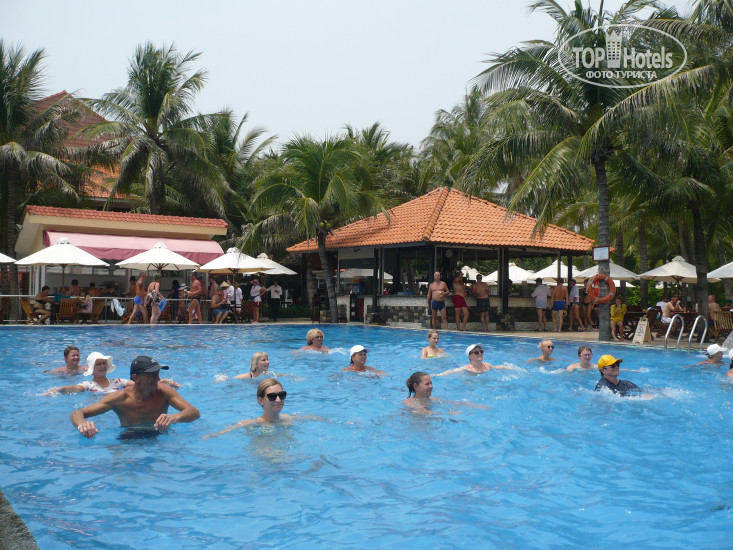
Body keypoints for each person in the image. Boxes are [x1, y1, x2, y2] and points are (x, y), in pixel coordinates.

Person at [70, 355, 200, 439]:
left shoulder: (164, 391)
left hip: (160, 436)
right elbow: (77, 413)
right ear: (135, 378)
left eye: (158, 374)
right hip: (129, 437)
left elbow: (194, 412)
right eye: (152, 375)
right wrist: (83, 425)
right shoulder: (120, 398)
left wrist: (174, 418)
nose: (158, 379)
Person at [203, 379, 292, 437]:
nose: (278, 400)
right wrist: (212, 435)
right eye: (272, 396)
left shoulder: (289, 419)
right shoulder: (254, 424)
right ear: (261, 400)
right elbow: (227, 430)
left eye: (281, 395)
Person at [46, 352, 129, 394]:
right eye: (98, 364)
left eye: (104, 363)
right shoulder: (89, 385)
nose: (102, 366)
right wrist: (59, 389)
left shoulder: (118, 382)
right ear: (92, 369)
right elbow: (75, 388)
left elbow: (135, 385)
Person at [437, 343, 515, 376]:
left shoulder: (487, 366)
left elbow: (500, 367)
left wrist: (513, 368)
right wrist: (438, 375)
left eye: (481, 351)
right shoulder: (466, 369)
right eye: (476, 352)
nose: (480, 353)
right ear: (470, 356)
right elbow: (451, 371)